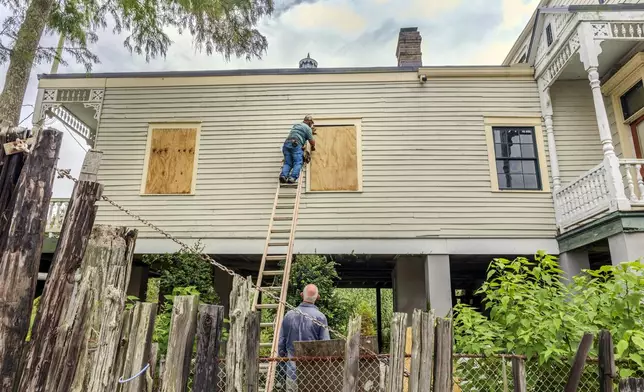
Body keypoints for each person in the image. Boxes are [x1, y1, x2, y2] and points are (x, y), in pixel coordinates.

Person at [277, 284, 330, 391]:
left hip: (292, 371)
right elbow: (326, 345)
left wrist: (282, 362)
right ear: (318, 297)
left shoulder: (289, 315)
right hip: (314, 372)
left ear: (302, 295)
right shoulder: (320, 317)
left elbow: (281, 343)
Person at [280, 115, 316, 184]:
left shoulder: (296, 125)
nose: (311, 125)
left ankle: (283, 176)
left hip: (287, 144)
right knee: (298, 162)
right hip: (295, 145)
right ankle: (292, 177)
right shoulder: (307, 128)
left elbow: (297, 135)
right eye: (311, 123)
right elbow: (312, 141)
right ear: (309, 122)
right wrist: (313, 146)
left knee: (288, 163)